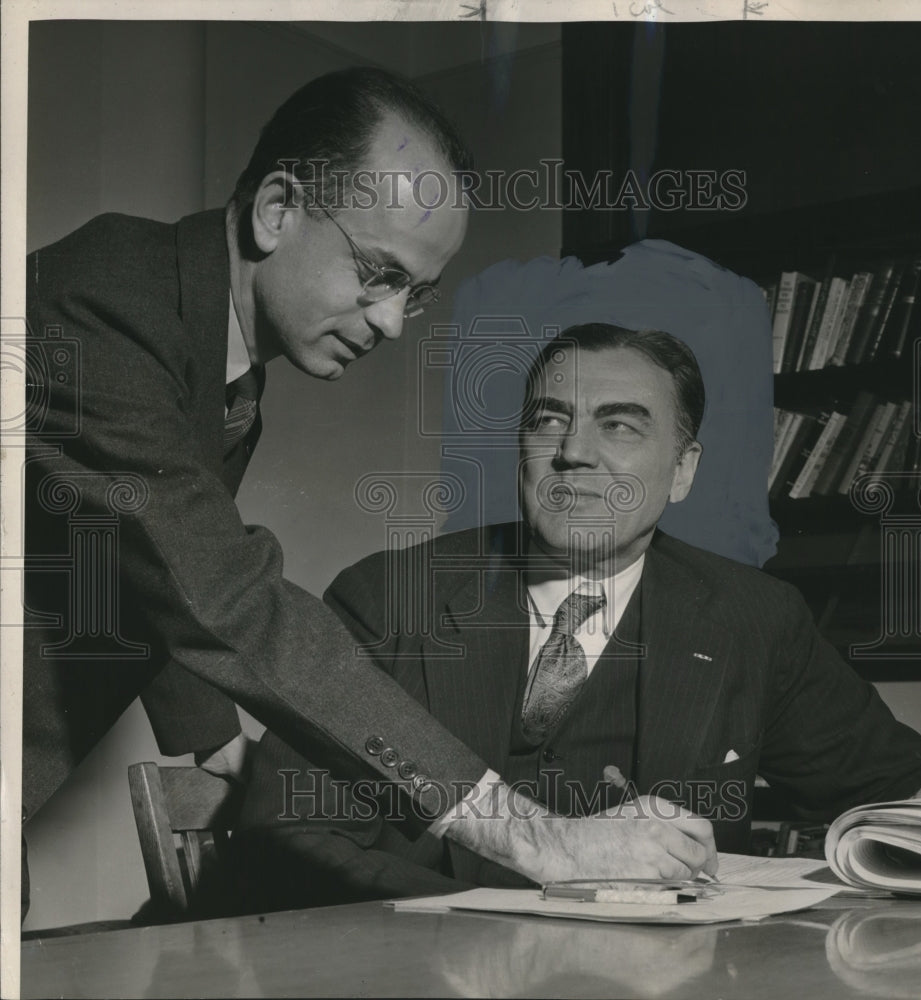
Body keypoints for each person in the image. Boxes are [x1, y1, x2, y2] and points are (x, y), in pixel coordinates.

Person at [21, 70, 714, 917]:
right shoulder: (106, 305)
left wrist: (223, 755)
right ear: (279, 207)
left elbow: (147, 564)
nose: (390, 323)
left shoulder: (211, 361)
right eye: (378, 273)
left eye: (415, 295)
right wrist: (539, 835)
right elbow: (221, 596)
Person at [234, 323, 921, 908]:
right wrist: (495, 921)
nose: (575, 453)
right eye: (552, 421)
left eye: (621, 427)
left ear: (682, 470)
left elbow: (899, 796)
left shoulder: (755, 618)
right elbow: (290, 831)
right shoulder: (391, 597)